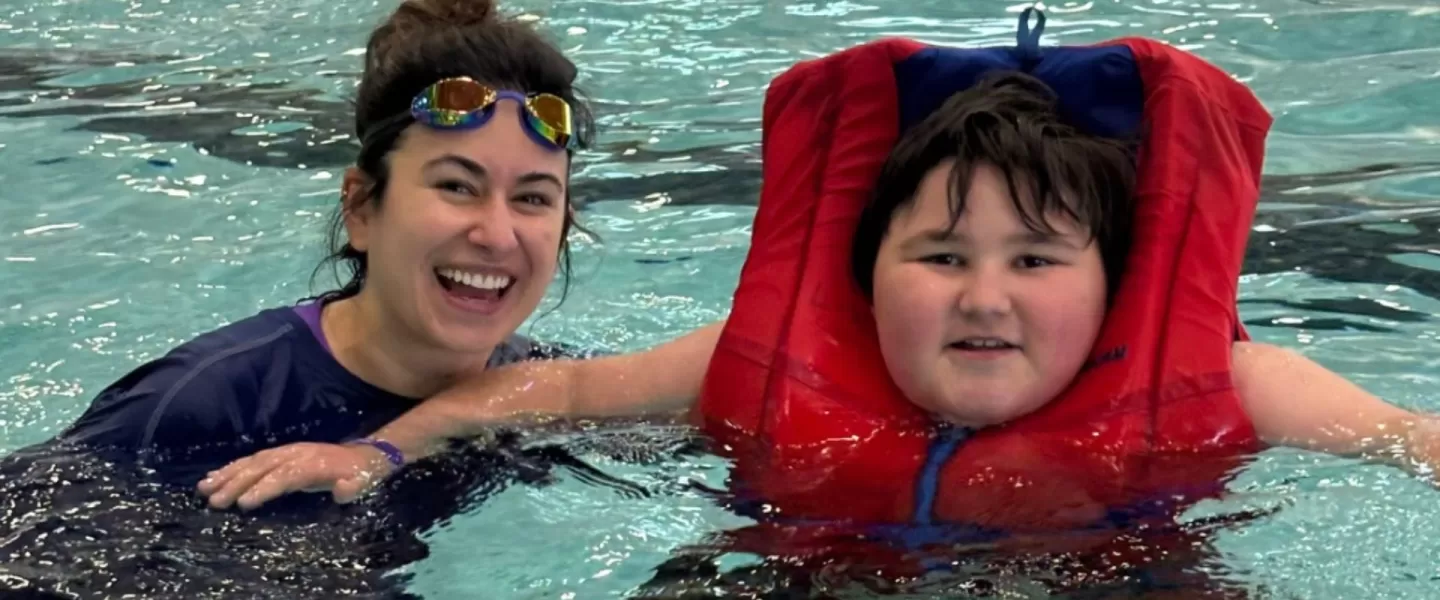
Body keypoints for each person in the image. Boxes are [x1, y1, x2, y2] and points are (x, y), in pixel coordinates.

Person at [196, 43, 1440, 519]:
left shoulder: (1233, 385)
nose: (985, 297)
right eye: (940, 257)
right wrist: (381, 456)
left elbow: (1410, 439)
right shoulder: (754, 363)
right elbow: (539, 394)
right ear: (870, 271)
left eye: (1036, 262)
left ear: (1110, 285)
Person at [55, 0, 600, 486]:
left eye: (532, 199)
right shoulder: (196, 409)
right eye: (456, 186)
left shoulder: (542, 395)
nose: (496, 234)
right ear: (361, 207)